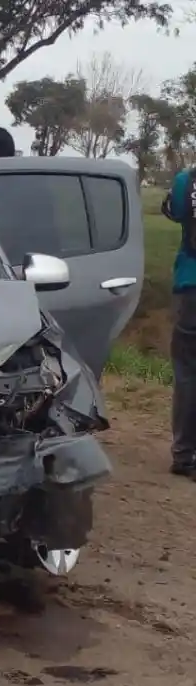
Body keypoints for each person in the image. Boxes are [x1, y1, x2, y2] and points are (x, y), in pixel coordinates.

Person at [161, 168, 196, 476]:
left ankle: (184, 455)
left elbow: (174, 211)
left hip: (191, 285)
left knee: (187, 374)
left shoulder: (188, 179)